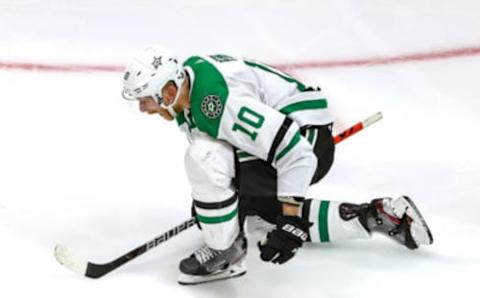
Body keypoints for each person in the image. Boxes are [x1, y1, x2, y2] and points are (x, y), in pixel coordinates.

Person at [121, 45, 433, 285]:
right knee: (256, 208)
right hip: (293, 133)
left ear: (169, 90)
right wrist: (220, 203)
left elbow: (296, 154)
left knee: (206, 160)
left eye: (146, 99)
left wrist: (293, 219)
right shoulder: (191, 87)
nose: (143, 108)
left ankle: (226, 251)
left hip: (305, 140)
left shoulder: (217, 103)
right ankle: (377, 215)